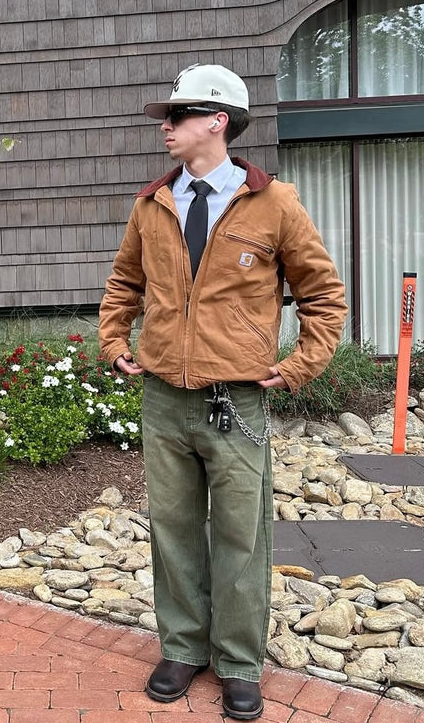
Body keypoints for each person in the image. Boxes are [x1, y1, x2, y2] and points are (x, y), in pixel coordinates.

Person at [99, 63, 348, 720]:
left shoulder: (274, 204)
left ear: (217, 121)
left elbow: (322, 295)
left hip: (236, 400)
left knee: (241, 536)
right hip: (163, 397)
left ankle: (238, 662)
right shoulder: (152, 203)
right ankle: (182, 648)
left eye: (178, 115)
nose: (166, 125)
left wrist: (299, 365)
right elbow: (124, 283)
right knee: (173, 530)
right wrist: (114, 342)